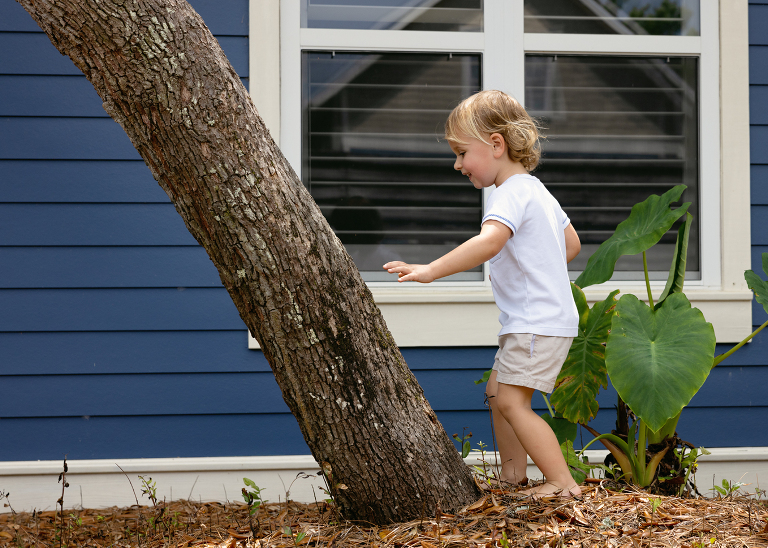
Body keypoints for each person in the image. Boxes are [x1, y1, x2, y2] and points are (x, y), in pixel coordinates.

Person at [383, 90, 582, 499]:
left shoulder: (508, 192)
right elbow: (572, 244)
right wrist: (536, 265)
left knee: (511, 402)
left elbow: (489, 242)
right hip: (540, 319)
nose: (457, 164)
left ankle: (562, 484)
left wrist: (431, 270)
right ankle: (512, 476)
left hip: (535, 321)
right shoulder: (536, 190)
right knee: (497, 392)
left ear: (495, 144)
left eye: (461, 153)